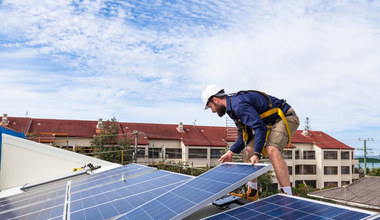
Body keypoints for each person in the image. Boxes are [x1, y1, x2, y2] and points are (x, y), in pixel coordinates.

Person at [202, 84, 300, 201]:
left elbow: (259, 128)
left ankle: (287, 196)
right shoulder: (232, 109)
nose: (212, 111)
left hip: (286, 117)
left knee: (271, 150)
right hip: (269, 123)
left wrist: (257, 154)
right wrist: (231, 153)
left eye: (210, 107)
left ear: (215, 99)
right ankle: (252, 193)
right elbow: (245, 135)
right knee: (248, 150)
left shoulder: (238, 104)